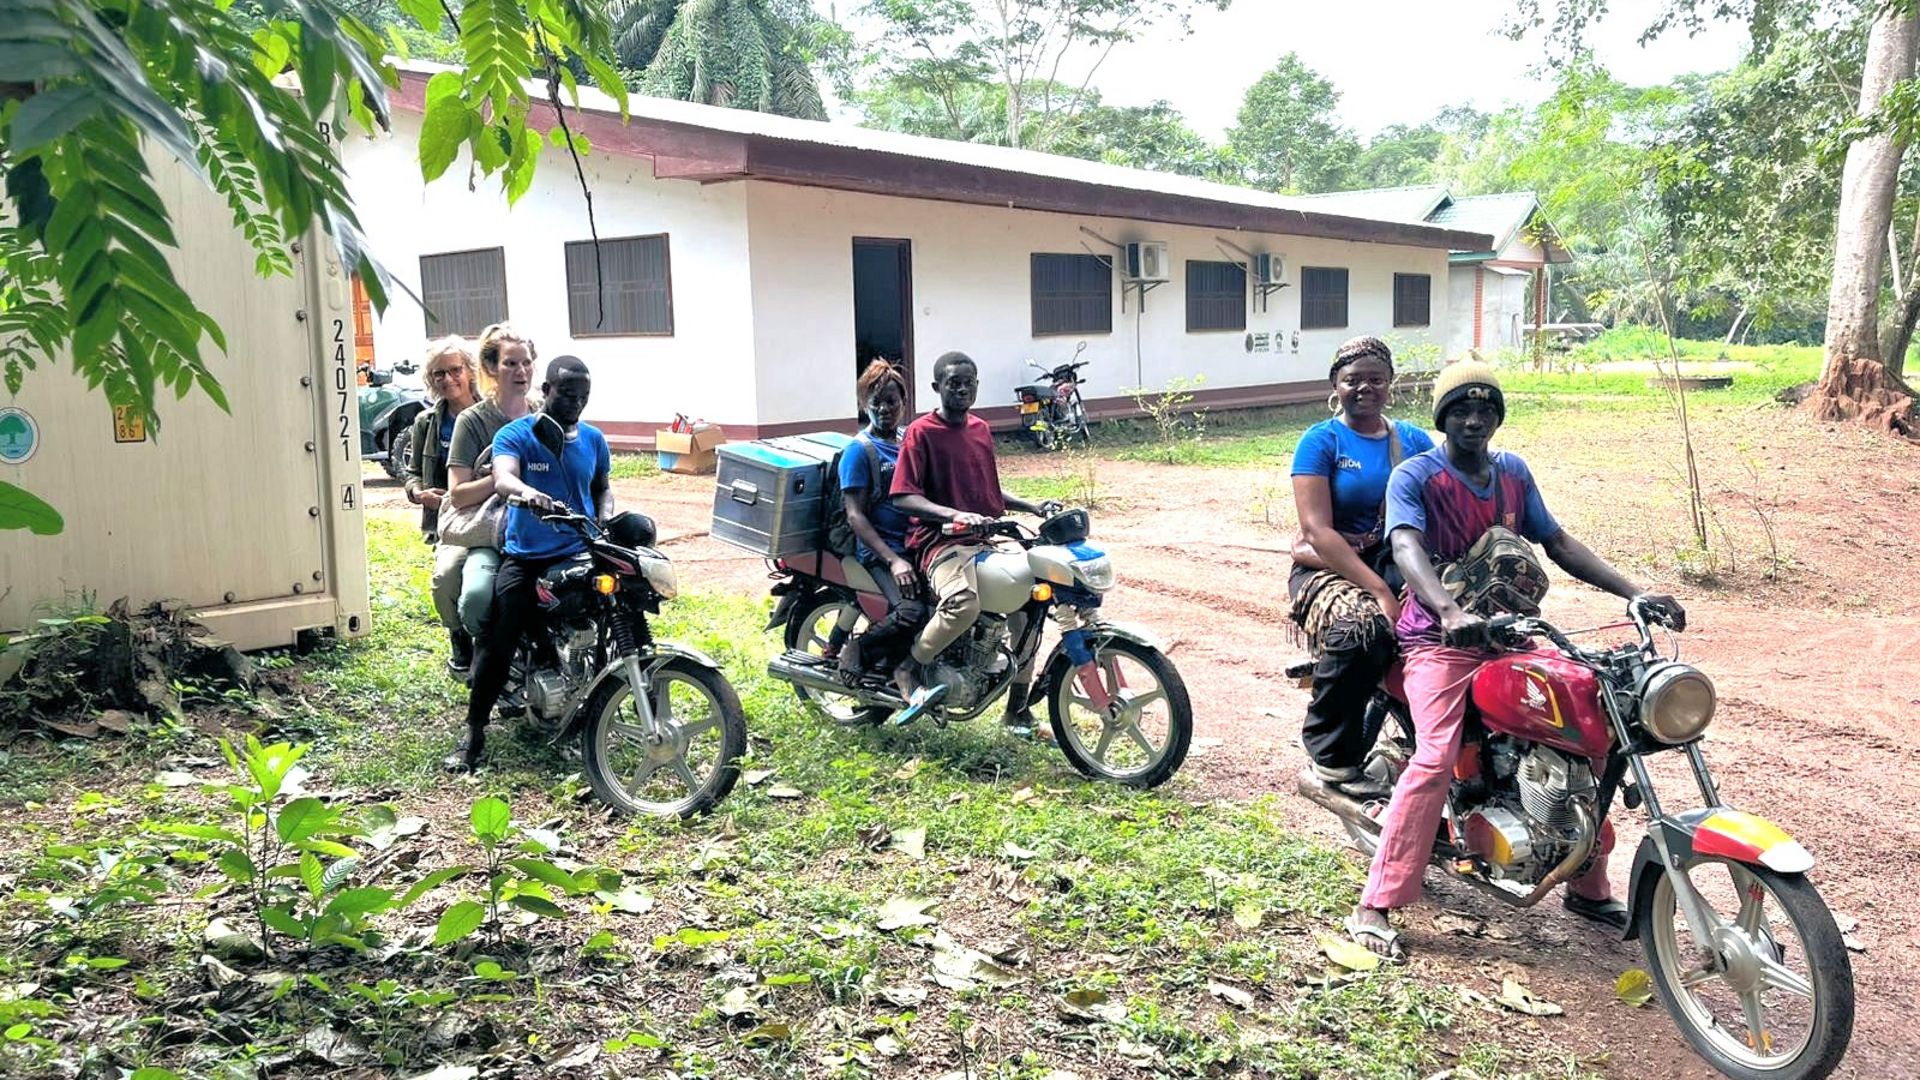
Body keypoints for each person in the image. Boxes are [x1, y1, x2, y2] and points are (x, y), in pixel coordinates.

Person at [1346, 360, 1686, 960]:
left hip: (1507, 634)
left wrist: (1636, 593)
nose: (1474, 420)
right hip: (1436, 640)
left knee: (1588, 730)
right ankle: (1376, 902)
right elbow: (1405, 545)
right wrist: (1448, 610)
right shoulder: (1416, 475)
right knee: (1434, 757)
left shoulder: (1513, 474)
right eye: (1461, 410)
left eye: (1485, 410)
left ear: (1498, 417)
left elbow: (1557, 542)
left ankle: (1587, 887)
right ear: (1443, 418)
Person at [448, 354, 612, 772]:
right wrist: (526, 493)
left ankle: (597, 705)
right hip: (527, 556)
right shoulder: (517, 434)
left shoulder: (594, 439)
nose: (576, 403)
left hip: (578, 549)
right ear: (547, 391)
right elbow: (503, 476)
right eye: (568, 395)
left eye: (584, 396)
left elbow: (602, 488)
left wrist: (605, 518)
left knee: (612, 612)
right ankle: (474, 731)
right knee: (500, 634)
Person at [1289, 336, 1434, 797]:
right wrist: (1380, 590)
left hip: (1397, 559)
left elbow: (1439, 501)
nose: (1364, 388)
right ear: (1336, 385)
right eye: (1353, 380)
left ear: (1390, 383)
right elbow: (1317, 531)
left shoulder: (1413, 440)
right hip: (1330, 566)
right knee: (1365, 629)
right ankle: (1331, 757)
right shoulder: (1321, 441)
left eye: (1375, 379)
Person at [890, 351, 1059, 732]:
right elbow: (903, 496)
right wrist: (954, 514)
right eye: (953, 383)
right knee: (962, 604)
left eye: (968, 382)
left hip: (983, 541)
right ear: (937, 387)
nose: (962, 389)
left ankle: (1017, 709)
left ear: (977, 386)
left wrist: (1032, 506)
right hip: (939, 542)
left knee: (1030, 606)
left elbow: (991, 492)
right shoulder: (921, 432)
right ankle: (910, 666)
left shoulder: (980, 429)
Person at [444, 324, 537, 649]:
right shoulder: (472, 421)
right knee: (476, 597)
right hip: (490, 530)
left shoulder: (544, 414)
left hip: (539, 528)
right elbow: (458, 495)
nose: (521, 371)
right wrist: (502, 480)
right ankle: (481, 653)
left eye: (526, 362)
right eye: (510, 363)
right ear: (490, 367)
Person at [835, 360, 928, 681]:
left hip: (915, 543)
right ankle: (857, 651)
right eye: (876, 402)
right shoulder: (859, 451)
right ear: (864, 405)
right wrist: (893, 561)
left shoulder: (907, 440)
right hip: (881, 551)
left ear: (904, 402)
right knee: (911, 611)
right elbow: (855, 515)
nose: (884, 409)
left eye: (891, 401)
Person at [402, 337, 484, 673]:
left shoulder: (492, 413)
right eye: (439, 374)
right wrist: (419, 493)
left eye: (455, 370)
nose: (448, 379)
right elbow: (411, 474)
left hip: (493, 516)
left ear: (470, 371)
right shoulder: (426, 422)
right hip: (451, 522)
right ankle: (458, 636)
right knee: (447, 577)